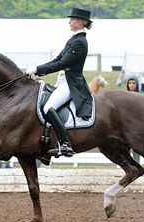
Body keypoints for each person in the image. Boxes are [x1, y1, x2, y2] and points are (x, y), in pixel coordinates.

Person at [25, 8, 93, 159]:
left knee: (49, 107)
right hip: (63, 80)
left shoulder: (80, 42)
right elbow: (57, 60)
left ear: (82, 22)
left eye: (73, 19)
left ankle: (65, 144)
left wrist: (37, 69)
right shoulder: (73, 39)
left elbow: (63, 63)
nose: (69, 21)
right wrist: (38, 69)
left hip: (71, 82)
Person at [126, 77, 141, 163]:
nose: (131, 85)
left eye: (133, 83)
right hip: (126, 125)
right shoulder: (123, 96)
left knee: (136, 147)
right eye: (130, 83)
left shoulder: (140, 97)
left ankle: (137, 163)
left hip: (136, 125)